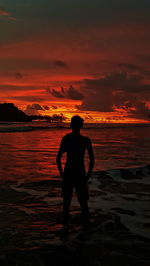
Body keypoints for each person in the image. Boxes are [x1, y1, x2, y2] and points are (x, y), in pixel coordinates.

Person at [56, 115, 94, 230]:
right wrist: (89, 174)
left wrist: (61, 173)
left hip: (69, 173)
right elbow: (92, 159)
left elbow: (58, 158)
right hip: (80, 173)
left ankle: (65, 228)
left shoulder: (67, 138)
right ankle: (86, 228)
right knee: (83, 203)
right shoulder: (85, 140)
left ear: (71, 125)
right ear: (81, 125)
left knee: (66, 203)